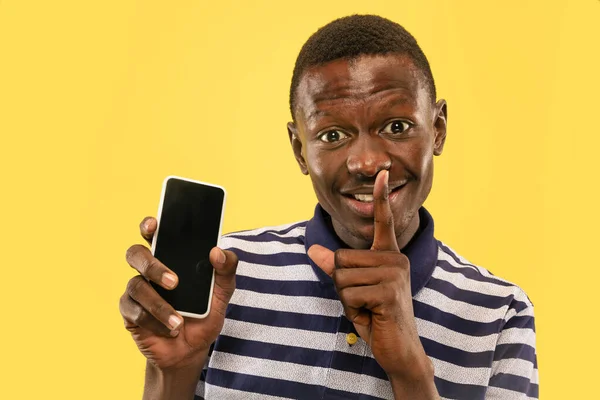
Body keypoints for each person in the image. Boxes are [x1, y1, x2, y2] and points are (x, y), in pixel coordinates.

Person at [119, 15, 538, 400]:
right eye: (333, 135)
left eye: (397, 127)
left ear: (438, 130)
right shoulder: (225, 275)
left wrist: (412, 374)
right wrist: (172, 374)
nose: (368, 163)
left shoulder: (499, 312)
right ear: (300, 150)